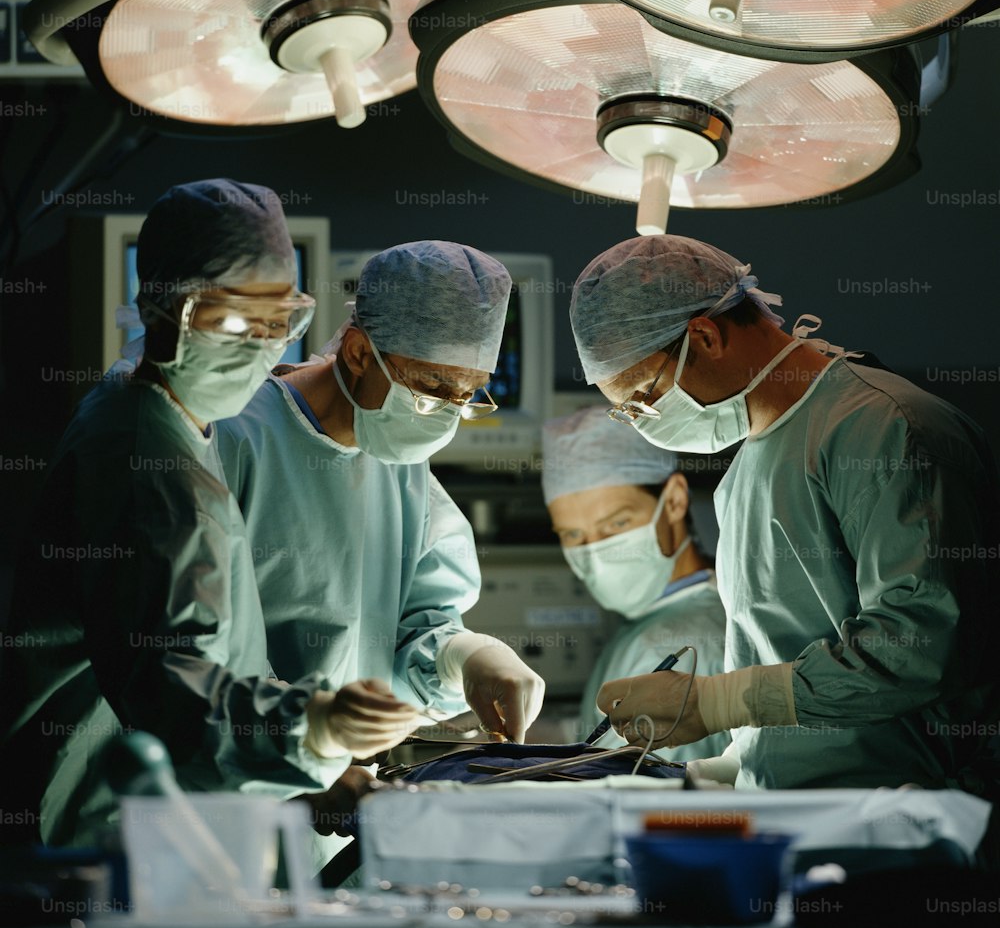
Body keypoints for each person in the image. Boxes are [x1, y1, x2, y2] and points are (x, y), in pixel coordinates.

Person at [0, 180, 423, 849]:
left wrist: (309, 776)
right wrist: (310, 727)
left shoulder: (165, 415)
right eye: (229, 321)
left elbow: (209, 662)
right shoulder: (145, 462)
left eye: (278, 320)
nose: (260, 343)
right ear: (163, 305)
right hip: (102, 836)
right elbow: (170, 692)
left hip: (156, 818)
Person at [569, 233, 1000, 797]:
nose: (642, 420)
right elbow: (787, 668)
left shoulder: (886, 429)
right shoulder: (746, 469)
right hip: (802, 814)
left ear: (703, 335)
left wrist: (716, 702)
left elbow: (919, 646)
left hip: (898, 819)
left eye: (641, 398)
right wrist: (740, 765)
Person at [216, 240, 545, 765]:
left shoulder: (397, 457)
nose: (445, 414)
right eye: (433, 387)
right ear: (358, 352)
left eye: (468, 396)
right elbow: (192, 656)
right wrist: (298, 745)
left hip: (333, 795)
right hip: (219, 789)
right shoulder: (234, 437)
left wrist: (463, 657)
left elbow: (416, 627)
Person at [541, 407, 729, 759]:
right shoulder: (691, 608)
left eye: (616, 525)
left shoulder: (665, 646)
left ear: (673, 500)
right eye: (573, 534)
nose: (595, 551)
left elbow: (628, 794)